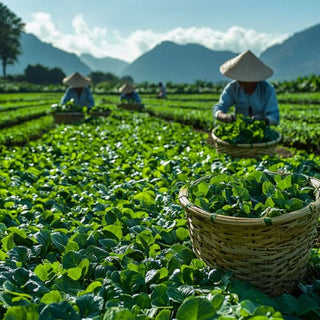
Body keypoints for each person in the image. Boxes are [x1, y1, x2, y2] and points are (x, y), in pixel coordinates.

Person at [213, 50, 280, 126]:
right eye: (241, 82)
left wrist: (263, 121)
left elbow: (275, 117)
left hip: (263, 131)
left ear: (256, 79)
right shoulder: (233, 88)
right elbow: (219, 108)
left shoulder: (267, 89)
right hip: (240, 130)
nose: (244, 86)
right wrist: (225, 117)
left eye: (248, 83)